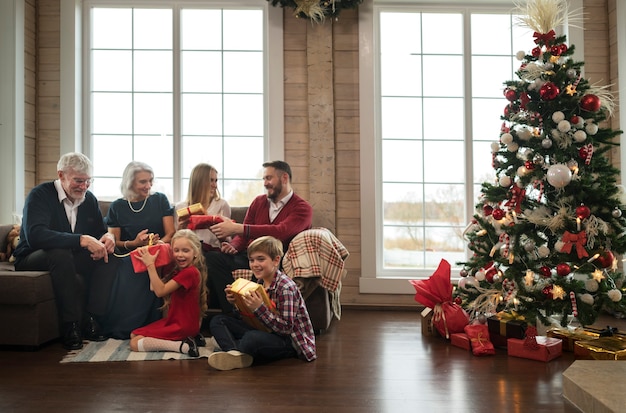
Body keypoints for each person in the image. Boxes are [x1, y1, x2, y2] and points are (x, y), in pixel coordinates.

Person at [13, 152, 115, 350]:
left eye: (88, 181)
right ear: (61, 175)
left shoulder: (89, 199)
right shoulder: (40, 195)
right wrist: (82, 240)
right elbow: (36, 236)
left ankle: (91, 317)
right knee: (60, 253)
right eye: (78, 180)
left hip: (70, 257)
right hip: (32, 257)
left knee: (109, 256)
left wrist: (108, 238)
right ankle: (71, 325)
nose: (84, 186)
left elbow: (99, 232)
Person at [206, 160, 313, 313]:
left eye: (269, 178)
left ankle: (255, 315)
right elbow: (243, 237)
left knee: (264, 266)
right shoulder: (258, 202)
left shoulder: (302, 208)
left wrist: (238, 228)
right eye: (264, 179)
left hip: (277, 260)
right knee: (212, 258)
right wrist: (234, 246)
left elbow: (280, 232)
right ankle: (234, 312)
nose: (265, 183)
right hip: (249, 257)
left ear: (284, 178)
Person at [208, 236, 316, 370]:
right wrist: (236, 302)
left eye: (261, 259)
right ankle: (235, 353)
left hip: (288, 341)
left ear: (276, 260)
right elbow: (250, 317)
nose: (255, 264)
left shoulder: (285, 288)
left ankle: (232, 347)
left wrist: (259, 308)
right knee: (218, 321)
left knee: (251, 338)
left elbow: (286, 328)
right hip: (265, 329)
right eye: (251, 260)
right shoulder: (260, 282)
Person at [98, 161, 175, 339]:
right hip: (130, 254)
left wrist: (154, 248)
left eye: (151, 181)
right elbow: (114, 241)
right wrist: (134, 243)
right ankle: (126, 326)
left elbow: (171, 233)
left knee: (147, 265)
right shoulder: (117, 206)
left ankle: (147, 324)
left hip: (158, 252)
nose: (148, 185)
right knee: (127, 266)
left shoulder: (160, 200)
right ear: (130, 182)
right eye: (143, 182)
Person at [130, 229, 208, 357]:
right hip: (176, 322)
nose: (180, 255)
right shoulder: (180, 271)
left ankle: (182, 346)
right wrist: (157, 260)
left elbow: (160, 292)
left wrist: (149, 264)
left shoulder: (190, 273)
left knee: (134, 343)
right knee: (134, 334)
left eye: (185, 250)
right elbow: (154, 287)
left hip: (182, 325)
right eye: (176, 250)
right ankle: (189, 339)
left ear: (196, 253)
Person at [174, 163, 231, 251]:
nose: (215, 185)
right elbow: (175, 242)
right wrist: (180, 230)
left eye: (216, 181)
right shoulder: (180, 207)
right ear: (199, 182)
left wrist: (218, 231)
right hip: (188, 252)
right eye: (211, 180)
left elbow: (228, 241)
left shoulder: (222, 205)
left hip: (212, 252)